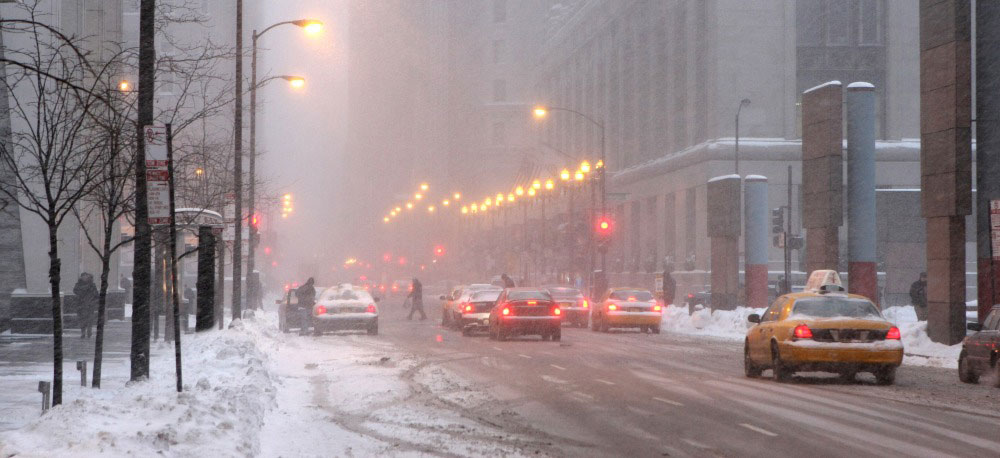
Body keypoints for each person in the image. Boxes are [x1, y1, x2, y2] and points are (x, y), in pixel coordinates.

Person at [74, 273, 98, 339]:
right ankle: (83, 332)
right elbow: (75, 291)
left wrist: (93, 302)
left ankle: (89, 331)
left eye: (86, 276)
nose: (85, 278)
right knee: (82, 319)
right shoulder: (78, 284)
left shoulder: (92, 285)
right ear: (81, 277)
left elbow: (96, 295)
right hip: (81, 305)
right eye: (83, 276)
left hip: (89, 305)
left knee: (89, 319)